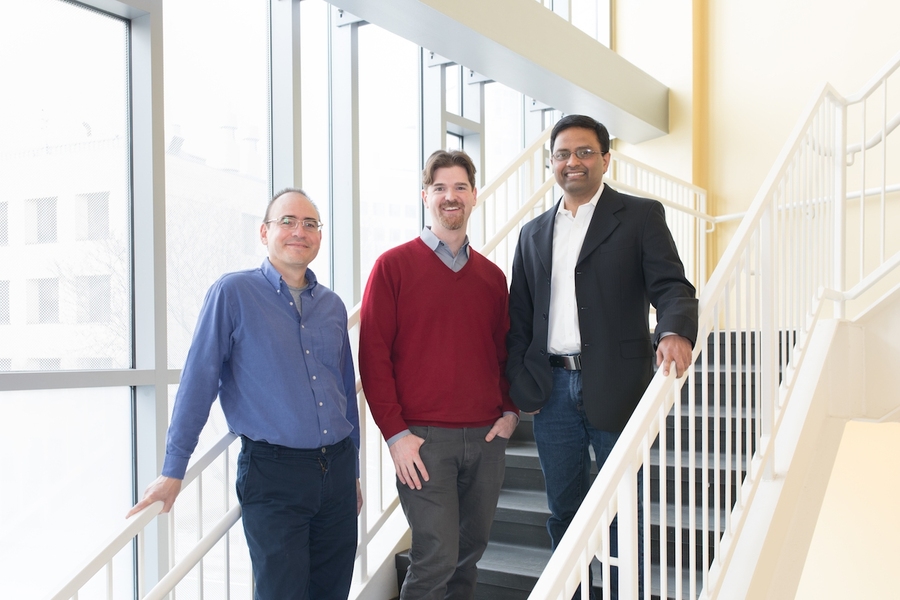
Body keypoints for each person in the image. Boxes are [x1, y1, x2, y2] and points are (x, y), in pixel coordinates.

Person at [127, 189, 362, 600]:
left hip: (338, 471)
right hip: (274, 474)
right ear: (264, 232)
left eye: (310, 224)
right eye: (287, 221)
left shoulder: (333, 306)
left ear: (319, 237)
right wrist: (173, 469)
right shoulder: (233, 293)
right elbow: (199, 383)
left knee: (332, 591)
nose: (299, 231)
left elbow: (344, 390)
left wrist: (354, 470)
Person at [506, 115, 698, 592]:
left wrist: (674, 331)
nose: (573, 162)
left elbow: (673, 287)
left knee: (619, 508)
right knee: (563, 512)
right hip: (552, 392)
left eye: (585, 152)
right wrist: (518, 385)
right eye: (563, 154)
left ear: (605, 159)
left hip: (618, 383)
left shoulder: (638, 217)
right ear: (552, 163)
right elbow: (519, 319)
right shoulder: (532, 234)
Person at [358, 150, 518, 600]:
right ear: (425, 196)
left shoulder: (491, 278)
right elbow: (373, 357)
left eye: (461, 187)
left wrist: (509, 411)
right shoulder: (392, 267)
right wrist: (395, 435)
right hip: (424, 441)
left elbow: (504, 352)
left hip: (486, 438)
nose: (452, 196)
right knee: (435, 555)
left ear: (474, 196)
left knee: (470, 552)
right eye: (441, 188)